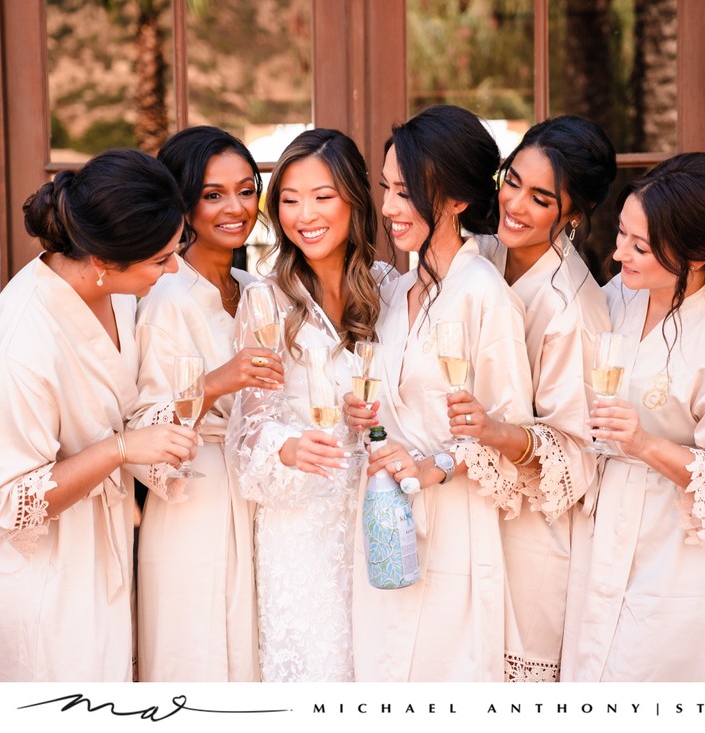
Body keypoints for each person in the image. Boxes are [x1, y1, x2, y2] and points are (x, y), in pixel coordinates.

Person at [0, 149, 198, 682]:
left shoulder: (116, 294)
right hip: (32, 577)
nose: (174, 268)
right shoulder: (15, 353)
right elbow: (12, 501)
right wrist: (123, 450)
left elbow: (121, 400)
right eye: (160, 259)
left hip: (95, 550)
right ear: (104, 261)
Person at [561, 152, 705, 682]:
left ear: (694, 254)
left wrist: (644, 444)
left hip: (677, 560)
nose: (619, 252)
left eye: (639, 246)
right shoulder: (620, 297)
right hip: (602, 540)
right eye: (621, 233)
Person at [346, 104, 534, 682]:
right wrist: (365, 416)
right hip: (383, 524)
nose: (388, 208)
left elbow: (510, 431)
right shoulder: (396, 288)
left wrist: (434, 465)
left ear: (455, 200)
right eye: (386, 189)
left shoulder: (486, 296)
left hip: (455, 529)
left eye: (407, 192)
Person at [225, 128, 388, 682]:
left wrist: (373, 415)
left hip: (379, 519)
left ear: (354, 201)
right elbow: (249, 432)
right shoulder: (265, 301)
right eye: (289, 200)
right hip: (301, 534)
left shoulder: (389, 291)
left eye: (322, 196)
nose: (304, 214)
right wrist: (289, 448)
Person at [459, 115, 616, 681]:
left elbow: (575, 458)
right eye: (512, 180)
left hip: (532, 539)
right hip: (464, 513)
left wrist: (494, 432)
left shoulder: (574, 310)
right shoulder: (479, 255)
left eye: (541, 198)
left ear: (571, 214)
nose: (515, 204)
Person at [130, 126, 280, 681]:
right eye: (213, 195)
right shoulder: (167, 295)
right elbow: (144, 422)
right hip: (195, 496)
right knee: (198, 650)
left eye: (246, 189)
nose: (236, 207)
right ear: (184, 203)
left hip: (262, 489)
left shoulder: (258, 288)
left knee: (255, 653)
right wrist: (215, 383)